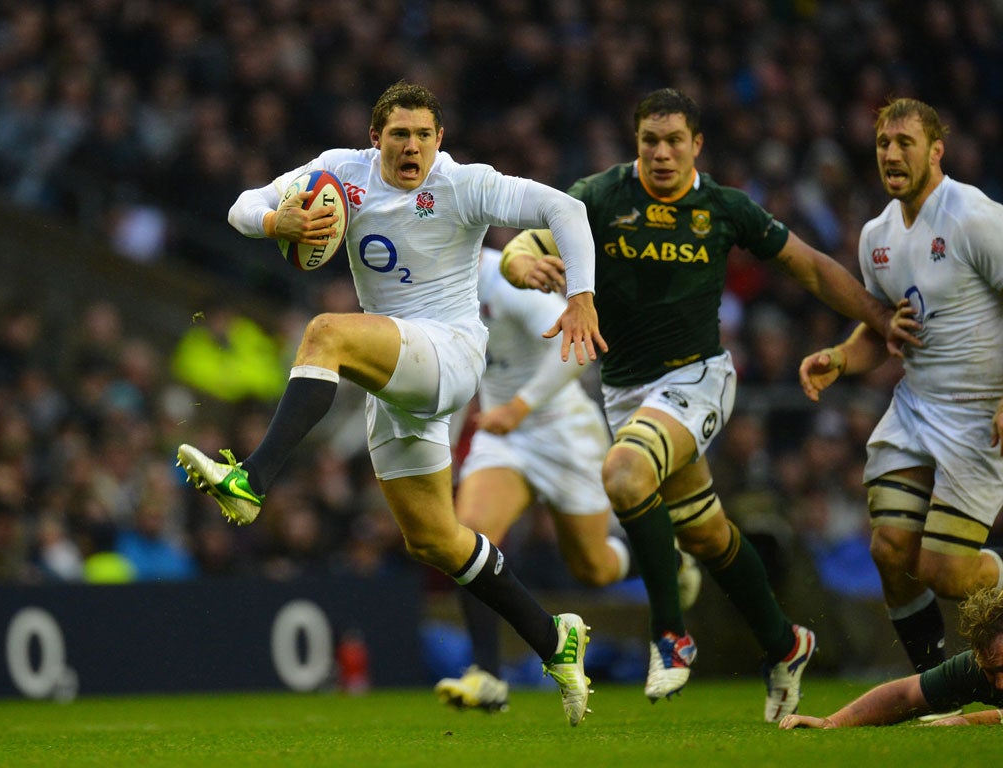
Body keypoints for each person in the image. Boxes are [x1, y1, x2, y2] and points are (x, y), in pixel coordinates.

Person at [175, 81, 605, 726]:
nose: (412, 147)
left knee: (325, 332)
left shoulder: (465, 184)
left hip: (453, 352)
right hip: (397, 370)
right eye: (399, 134)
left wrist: (582, 294)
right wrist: (277, 221)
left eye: (424, 135)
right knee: (435, 541)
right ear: (375, 138)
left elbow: (566, 210)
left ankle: (252, 479)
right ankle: (554, 639)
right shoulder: (341, 172)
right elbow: (243, 205)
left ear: (440, 140)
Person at [500, 87, 913, 722]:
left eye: (674, 142)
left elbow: (809, 267)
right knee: (706, 531)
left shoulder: (722, 208)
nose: (661, 154)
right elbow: (520, 247)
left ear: (697, 144)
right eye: (649, 142)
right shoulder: (599, 197)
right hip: (626, 390)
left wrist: (877, 317)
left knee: (624, 473)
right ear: (635, 143)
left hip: (698, 378)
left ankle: (670, 634)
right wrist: (525, 266)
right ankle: (786, 642)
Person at [433, 248, 702, 712]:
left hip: (561, 429)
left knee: (593, 567)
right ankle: (487, 676)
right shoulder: (435, 290)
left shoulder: (502, 278)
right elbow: (454, 376)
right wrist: (447, 454)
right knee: (466, 540)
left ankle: (668, 560)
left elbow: (579, 345)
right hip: (503, 436)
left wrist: (520, 405)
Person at [798, 98, 1003, 696]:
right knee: (890, 549)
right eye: (884, 142)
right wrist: (840, 357)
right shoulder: (876, 236)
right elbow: (884, 329)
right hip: (916, 407)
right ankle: (933, 683)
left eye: (905, 142)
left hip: (976, 414)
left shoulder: (973, 216)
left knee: (945, 570)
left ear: (936, 151)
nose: (891, 153)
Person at [780, 587, 1003, 728]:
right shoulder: (977, 664)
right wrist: (833, 722)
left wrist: (966, 721)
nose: (1000, 683)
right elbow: (905, 695)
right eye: (991, 672)